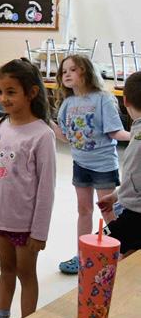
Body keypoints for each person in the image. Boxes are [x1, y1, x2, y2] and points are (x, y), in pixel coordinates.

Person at [0, 59, 56, 318]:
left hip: (25, 224)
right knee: (6, 269)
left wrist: (39, 232)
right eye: (0, 92)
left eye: (11, 92)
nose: (3, 98)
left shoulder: (42, 135)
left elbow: (46, 189)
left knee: (26, 273)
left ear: (31, 93)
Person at [52, 55, 130, 274]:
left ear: (86, 72)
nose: (67, 74)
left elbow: (115, 132)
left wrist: (136, 135)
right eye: (64, 71)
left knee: (108, 211)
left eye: (73, 70)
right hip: (80, 165)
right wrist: (45, 121)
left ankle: (118, 253)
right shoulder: (68, 103)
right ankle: (82, 255)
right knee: (83, 210)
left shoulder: (102, 99)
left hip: (103, 165)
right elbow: (66, 137)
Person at [98, 71, 141, 258]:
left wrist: (119, 196)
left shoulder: (138, 138)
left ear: (125, 101)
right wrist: (116, 196)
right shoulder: (137, 131)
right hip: (131, 210)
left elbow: (134, 174)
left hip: (134, 215)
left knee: (98, 240)